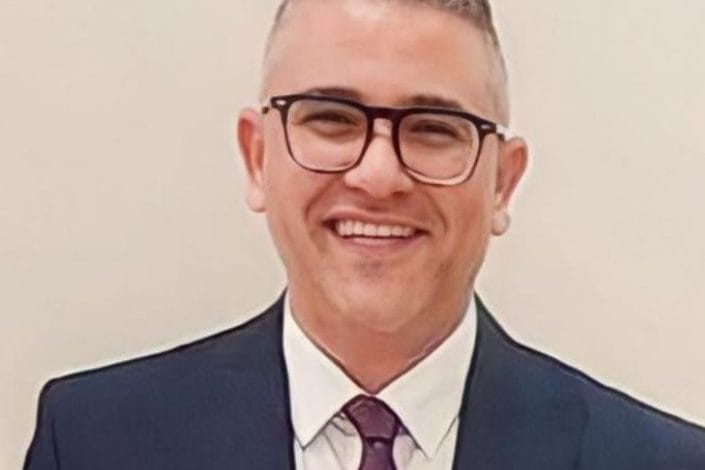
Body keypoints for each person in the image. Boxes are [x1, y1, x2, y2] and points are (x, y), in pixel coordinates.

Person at [24, 0, 705, 469]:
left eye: (434, 129)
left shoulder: (657, 461)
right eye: (331, 118)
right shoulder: (93, 442)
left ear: (502, 182)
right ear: (258, 158)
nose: (378, 176)